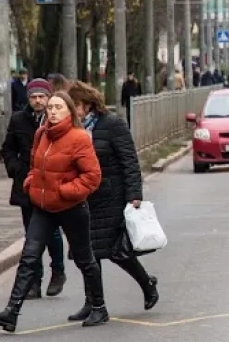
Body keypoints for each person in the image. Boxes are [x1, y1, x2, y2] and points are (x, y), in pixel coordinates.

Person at [0, 92, 106, 332]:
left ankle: (98, 306)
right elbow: (34, 166)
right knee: (29, 256)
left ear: (69, 111)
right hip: (42, 207)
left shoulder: (79, 138)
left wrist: (65, 191)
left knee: (84, 259)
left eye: (58, 107)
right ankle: (12, 312)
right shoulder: (41, 134)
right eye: (50, 107)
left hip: (71, 208)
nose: (52, 111)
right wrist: (31, 184)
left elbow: (92, 178)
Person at [65, 81, 159, 317]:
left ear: (88, 105)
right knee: (87, 254)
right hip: (85, 198)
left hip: (112, 197)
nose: (71, 111)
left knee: (118, 251)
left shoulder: (113, 125)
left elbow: (129, 161)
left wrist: (134, 195)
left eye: (75, 105)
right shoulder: (72, 131)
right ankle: (92, 303)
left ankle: (147, 285)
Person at [0, 79, 66, 299]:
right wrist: (15, 168)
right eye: (33, 97)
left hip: (53, 184)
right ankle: (34, 282)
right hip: (27, 185)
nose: (38, 101)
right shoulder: (19, 120)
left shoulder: (57, 118)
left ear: (49, 97)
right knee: (32, 236)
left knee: (53, 232)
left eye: (42, 97)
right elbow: (7, 148)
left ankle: (58, 271)